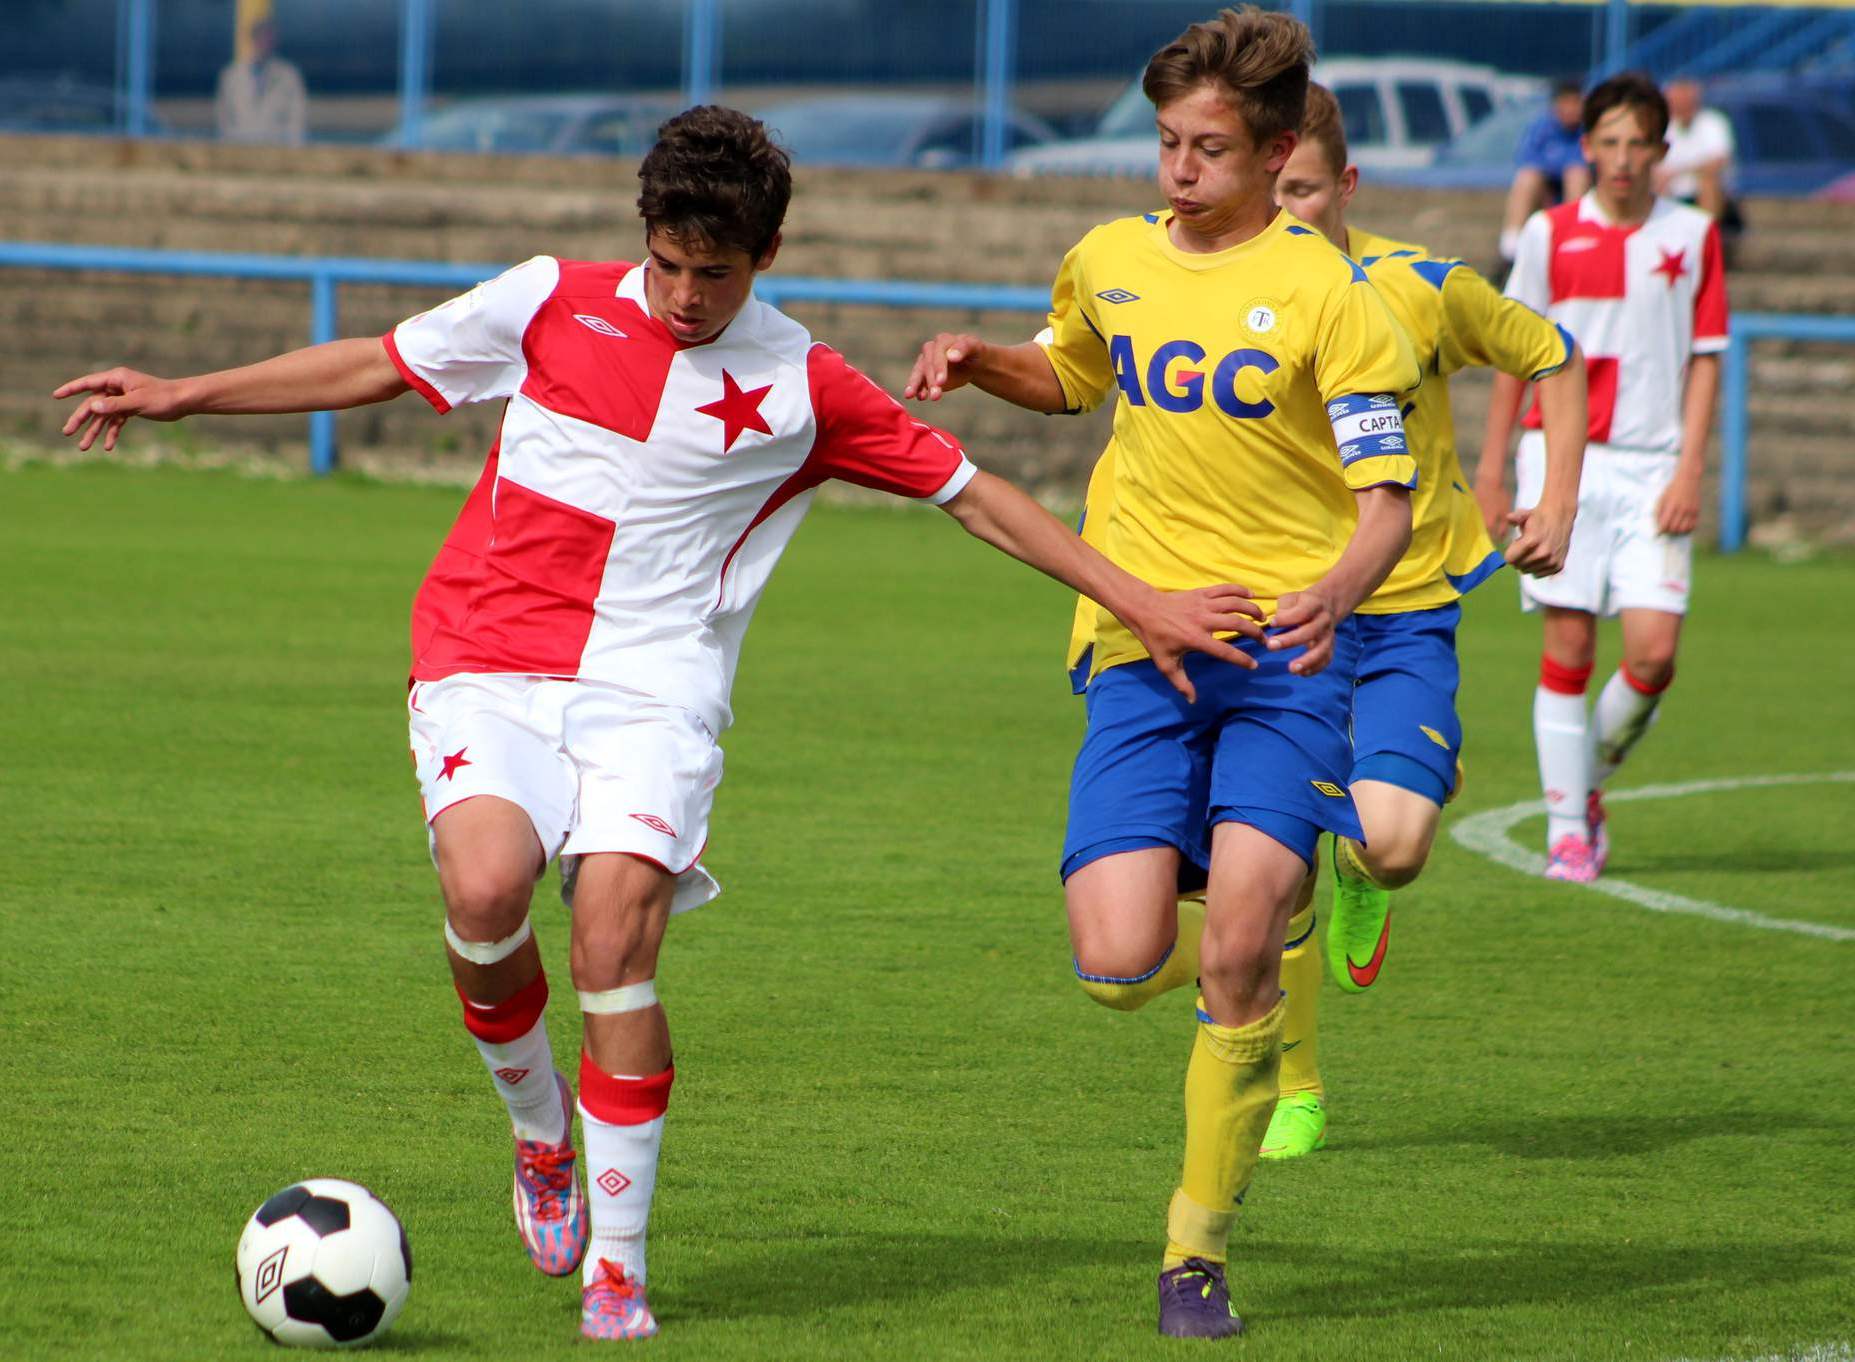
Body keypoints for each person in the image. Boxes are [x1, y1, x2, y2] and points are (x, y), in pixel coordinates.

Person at [53, 106, 1255, 1343]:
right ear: (645, 235)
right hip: (487, 651)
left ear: (769, 255)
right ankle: (539, 1136)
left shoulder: (802, 383)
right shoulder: (546, 299)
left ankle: (617, 1268)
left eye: (716, 275)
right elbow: (376, 359)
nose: (684, 296)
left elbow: (978, 497)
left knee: (614, 931)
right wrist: (181, 394)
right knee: (483, 894)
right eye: (668, 264)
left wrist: (1138, 600)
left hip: (653, 687)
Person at [904, 8, 1421, 1338]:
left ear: (1272, 152)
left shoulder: (1332, 295)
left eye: (1204, 148)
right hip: (1139, 640)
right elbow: (1074, 374)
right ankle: (1256, 871)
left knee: (1237, 945)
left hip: (1285, 659)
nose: (1175, 169)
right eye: (1165, 142)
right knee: (1119, 961)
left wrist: (1332, 595)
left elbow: (1383, 509)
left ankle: (1193, 1251)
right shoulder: (1107, 256)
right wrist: (983, 361)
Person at [1255, 82, 1586, 1157]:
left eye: (1301, 189)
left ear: (1345, 185)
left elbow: (1553, 357)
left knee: (1390, 846)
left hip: (1403, 613)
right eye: (1268, 190)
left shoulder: (1420, 289)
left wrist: (1555, 505)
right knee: (1276, 862)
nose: (1283, 210)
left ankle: (1364, 872)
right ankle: (1293, 1084)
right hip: (1285, 613)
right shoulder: (1230, 298)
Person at [1479, 73, 1728, 883]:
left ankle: (1581, 784)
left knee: (1654, 655)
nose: (1622, 160)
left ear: (1662, 153)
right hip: (1559, 465)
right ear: (1585, 148)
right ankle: (1567, 833)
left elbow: (1703, 361)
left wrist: (1690, 466)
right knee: (1569, 644)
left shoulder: (1691, 237)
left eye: (1638, 145)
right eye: (1608, 143)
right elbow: (1513, 358)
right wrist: (1489, 469)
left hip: (1653, 464)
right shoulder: (1548, 234)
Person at [1500, 78, 1590, 267]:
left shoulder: (1588, 131)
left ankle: (1572, 238)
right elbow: (1528, 162)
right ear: (1555, 105)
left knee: (1576, 175)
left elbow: (1587, 164)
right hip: (1544, 193)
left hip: (1579, 192)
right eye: (1566, 102)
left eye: (1576, 102)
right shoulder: (1540, 128)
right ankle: (1511, 246)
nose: (1572, 108)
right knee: (1528, 178)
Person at [1659, 77, 1742, 250]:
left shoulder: (1713, 122)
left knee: (1708, 182)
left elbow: (1718, 161)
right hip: (1673, 193)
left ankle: (1706, 242)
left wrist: (1678, 172)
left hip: (1708, 194)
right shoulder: (1664, 127)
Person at [215, 18, 308, 146]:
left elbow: (297, 120)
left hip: (276, 152)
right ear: (253, 39)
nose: (265, 43)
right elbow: (223, 119)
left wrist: (293, 152)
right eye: (261, 37)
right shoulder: (231, 75)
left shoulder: (289, 76)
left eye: (269, 38)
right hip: (240, 150)